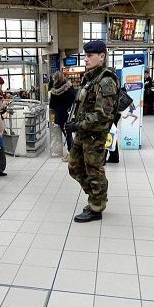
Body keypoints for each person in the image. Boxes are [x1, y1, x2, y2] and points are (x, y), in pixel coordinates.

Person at [64, 40, 118, 223]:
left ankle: (96, 206)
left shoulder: (106, 81)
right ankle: (96, 196)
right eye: (85, 55)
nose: (85, 59)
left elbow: (102, 115)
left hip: (94, 134)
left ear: (101, 57)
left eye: (90, 56)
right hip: (83, 132)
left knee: (94, 171)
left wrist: (77, 126)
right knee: (74, 166)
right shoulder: (90, 78)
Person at [48, 71, 76, 162]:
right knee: (70, 133)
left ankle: (71, 154)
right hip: (71, 113)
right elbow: (74, 97)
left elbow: (52, 105)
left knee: (67, 134)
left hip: (61, 114)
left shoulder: (54, 91)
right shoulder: (69, 86)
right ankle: (72, 153)